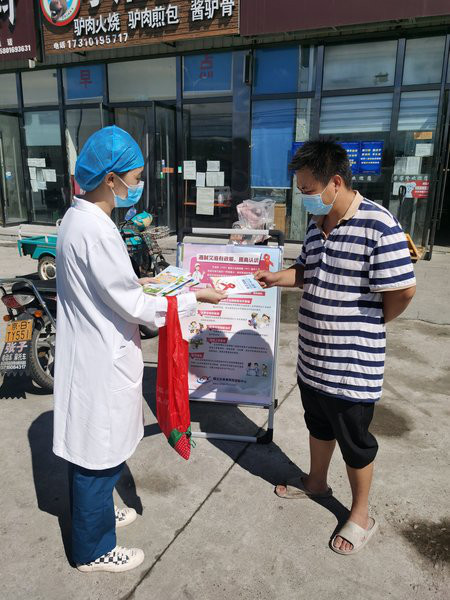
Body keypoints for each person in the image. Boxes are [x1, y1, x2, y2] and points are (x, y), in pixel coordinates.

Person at [53, 126, 225, 573]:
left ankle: (96, 516)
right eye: (135, 177)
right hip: (99, 359)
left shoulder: (77, 219)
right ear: (110, 179)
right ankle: (93, 550)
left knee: (94, 448)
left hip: (91, 351)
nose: (138, 184)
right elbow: (134, 307)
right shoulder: (97, 231)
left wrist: (141, 282)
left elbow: (111, 288)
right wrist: (193, 297)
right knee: (97, 454)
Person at [255, 140, 416, 555]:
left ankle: (360, 514)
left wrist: (369, 324)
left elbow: (402, 290)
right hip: (313, 358)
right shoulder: (317, 224)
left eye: (309, 189)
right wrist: (277, 278)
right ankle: (316, 482)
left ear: (336, 182)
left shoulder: (379, 225)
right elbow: (307, 271)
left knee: (355, 441)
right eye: (301, 190)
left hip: (352, 363)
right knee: (319, 425)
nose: (305, 197)